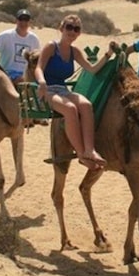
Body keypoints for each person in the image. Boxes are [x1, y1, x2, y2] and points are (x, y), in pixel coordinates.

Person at [33, 14, 113, 171]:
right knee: (70, 109)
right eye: (69, 27)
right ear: (61, 28)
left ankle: (90, 149)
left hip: (62, 89)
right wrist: (41, 81)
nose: (72, 32)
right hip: (47, 90)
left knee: (86, 105)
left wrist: (108, 54)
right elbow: (38, 67)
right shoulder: (51, 47)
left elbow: (92, 69)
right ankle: (82, 154)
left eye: (76, 29)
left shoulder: (74, 51)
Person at [0, 9, 41, 85]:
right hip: (8, 73)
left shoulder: (34, 39)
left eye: (26, 20)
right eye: (21, 19)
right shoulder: (6, 36)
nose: (23, 23)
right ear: (16, 21)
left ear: (29, 22)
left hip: (27, 74)